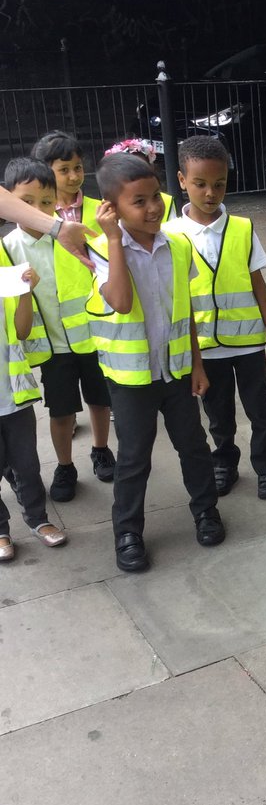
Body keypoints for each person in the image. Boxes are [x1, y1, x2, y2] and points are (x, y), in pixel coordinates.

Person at [86, 152, 225, 573]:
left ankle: (206, 511)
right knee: (134, 458)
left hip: (178, 371)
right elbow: (122, 301)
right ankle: (127, 532)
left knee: (194, 447)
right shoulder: (97, 251)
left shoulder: (178, 246)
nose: (152, 208)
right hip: (131, 380)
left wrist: (198, 364)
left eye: (154, 197)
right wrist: (113, 240)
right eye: (138, 201)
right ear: (111, 208)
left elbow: (186, 313)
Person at [164, 136, 266, 499]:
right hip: (204, 349)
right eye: (200, 183)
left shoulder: (242, 229)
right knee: (218, 415)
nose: (210, 192)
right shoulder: (171, 235)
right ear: (183, 180)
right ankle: (225, 463)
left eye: (219, 184)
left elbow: (257, 281)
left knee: (260, 410)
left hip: (247, 342)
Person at [0, 158, 115, 499]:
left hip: (90, 340)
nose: (39, 209)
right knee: (61, 411)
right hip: (51, 350)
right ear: (10, 201)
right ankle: (65, 466)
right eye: (27, 202)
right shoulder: (8, 248)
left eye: (47, 202)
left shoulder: (72, 235)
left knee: (99, 401)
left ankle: (101, 448)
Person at [0, 268, 68, 561]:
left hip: (14, 396)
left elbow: (22, 331)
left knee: (26, 465)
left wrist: (25, 291)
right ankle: (1, 531)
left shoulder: (4, 280)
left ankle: (38, 519)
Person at [0, 186, 94, 266]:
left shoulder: (67, 241)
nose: (37, 210)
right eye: (27, 201)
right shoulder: (5, 246)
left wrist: (58, 228)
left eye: (46, 202)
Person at [32, 131, 102, 234]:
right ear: (45, 170)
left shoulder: (100, 208)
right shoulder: (38, 213)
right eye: (64, 170)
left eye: (77, 168)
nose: (74, 177)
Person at [104, 140, 176, 222]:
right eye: (139, 202)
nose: (153, 209)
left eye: (156, 196)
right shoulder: (107, 208)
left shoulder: (167, 201)